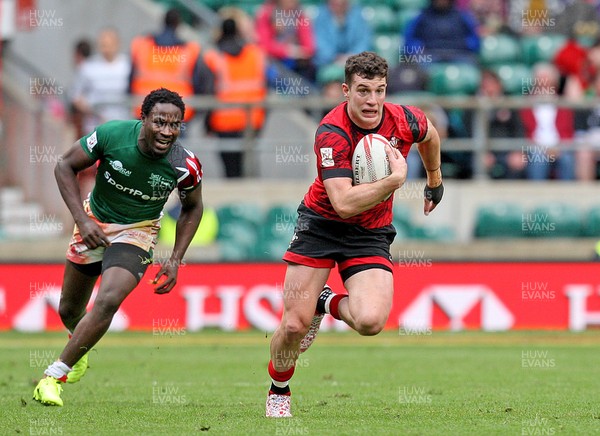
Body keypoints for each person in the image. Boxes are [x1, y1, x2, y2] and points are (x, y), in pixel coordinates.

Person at [265, 51, 444, 418]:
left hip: (370, 232)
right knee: (294, 324)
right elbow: (344, 203)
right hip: (321, 224)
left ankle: (325, 302)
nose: (372, 101)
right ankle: (279, 388)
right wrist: (396, 180)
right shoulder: (331, 133)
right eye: (363, 91)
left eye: (379, 90)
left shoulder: (404, 118)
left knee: (371, 322)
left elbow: (429, 134)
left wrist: (435, 180)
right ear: (346, 90)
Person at [32, 88, 204, 407]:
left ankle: (53, 376)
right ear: (144, 119)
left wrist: (176, 259)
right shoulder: (112, 135)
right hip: (93, 221)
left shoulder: (185, 165)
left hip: (138, 231)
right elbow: (64, 166)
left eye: (175, 125)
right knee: (69, 310)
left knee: (109, 299)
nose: (167, 131)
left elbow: (193, 208)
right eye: (160, 122)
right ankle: (78, 349)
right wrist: (83, 221)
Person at [200, 15, 267, 178]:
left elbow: (208, 93)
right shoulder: (256, 54)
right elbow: (265, 89)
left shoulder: (213, 57)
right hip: (252, 122)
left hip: (224, 123)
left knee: (231, 172)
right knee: (248, 170)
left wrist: (207, 125)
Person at [71, 28, 131, 199]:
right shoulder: (89, 68)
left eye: (110, 44)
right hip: (96, 130)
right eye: (103, 44)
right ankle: (90, 212)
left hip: (122, 131)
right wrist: (94, 111)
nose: (106, 48)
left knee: (120, 172)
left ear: (117, 44)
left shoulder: (127, 66)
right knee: (93, 175)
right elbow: (76, 97)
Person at [129, 8, 205, 124]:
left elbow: (130, 78)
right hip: (177, 112)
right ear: (178, 24)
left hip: (146, 110)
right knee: (176, 142)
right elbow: (198, 83)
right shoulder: (190, 50)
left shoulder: (141, 45)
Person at [255, 0, 317, 85]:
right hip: (274, 61)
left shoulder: (300, 14)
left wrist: (301, 52)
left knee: (312, 68)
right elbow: (264, 46)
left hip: (296, 61)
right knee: (272, 72)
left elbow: (310, 47)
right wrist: (287, 50)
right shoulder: (267, 13)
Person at [403, 0, 481, 65]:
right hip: (430, 56)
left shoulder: (462, 17)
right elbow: (409, 42)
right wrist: (421, 48)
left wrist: (464, 45)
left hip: (459, 55)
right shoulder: (421, 17)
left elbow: (475, 41)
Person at [313, 0, 372, 71]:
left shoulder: (357, 15)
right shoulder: (321, 16)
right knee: (333, 75)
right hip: (328, 63)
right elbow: (320, 44)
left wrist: (351, 57)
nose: (338, 3)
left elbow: (363, 41)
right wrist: (334, 58)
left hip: (356, 62)